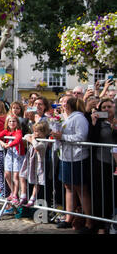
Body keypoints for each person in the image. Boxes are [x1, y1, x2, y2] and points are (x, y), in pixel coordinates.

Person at [51, 97, 93, 233]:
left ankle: (89, 222)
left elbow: (81, 137)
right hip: (65, 156)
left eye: (64, 102)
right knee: (68, 186)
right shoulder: (64, 117)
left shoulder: (79, 118)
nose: (61, 104)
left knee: (81, 189)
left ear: (69, 105)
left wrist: (62, 137)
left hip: (77, 157)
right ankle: (69, 218)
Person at [89, 98, 117, 233]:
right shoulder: (99, 123)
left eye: (109, 107)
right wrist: (94, 123)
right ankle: (101, 225)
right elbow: (92, 140)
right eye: (104, 107)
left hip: (115, 164)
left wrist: (115, 128)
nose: (107, 109)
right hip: (102, 162)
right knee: (102, 194)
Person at [0, 114, 26, 206]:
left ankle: (15, 194)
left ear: (17, 123)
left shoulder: (18, 131)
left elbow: (18, 140)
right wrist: (2, 143)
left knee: (15, 176)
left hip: (17, 155)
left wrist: (8, 145)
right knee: (7, 174)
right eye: (10, 121)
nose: (12, 123)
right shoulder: (6, 131)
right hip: (9, 155)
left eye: (14, 121)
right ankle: (13, 192)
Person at [20, 121, 51, 207]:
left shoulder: (44, 141)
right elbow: (26, 136)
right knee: (22, 175)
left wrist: (32, 140)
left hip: (39, 163)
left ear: (43, 132)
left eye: (37, 131)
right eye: (34, 131)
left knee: (36, 181)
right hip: (30, 161)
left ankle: (32, 198)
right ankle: (23, 195)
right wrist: (30, 137)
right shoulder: (34, 138)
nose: (35, 133)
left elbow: (37, 146)